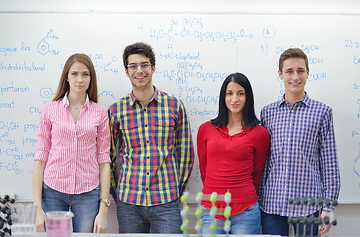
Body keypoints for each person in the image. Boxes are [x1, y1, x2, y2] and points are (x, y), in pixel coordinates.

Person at [108, 42, 194, 233]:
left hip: (166, 201)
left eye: (144, 65)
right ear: (126, 71)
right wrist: (117, 192)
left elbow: (185, 155)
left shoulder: (174, 106)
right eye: (133, 66)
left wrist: (174, 189)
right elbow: (109, 157)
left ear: (153, 68)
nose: (139, 70)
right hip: (129, 202)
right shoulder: (116, 110)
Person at [259, 48, 341, 236]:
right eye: (289, 71)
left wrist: (328, 207)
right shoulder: (268, 113)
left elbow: (329, 163)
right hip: (272, 203)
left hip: (307, 205)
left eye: (300, 70)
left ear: (307, 73)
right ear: (280, 75)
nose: (295, 77)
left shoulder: (322, 112)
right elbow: (262, 162)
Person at [33, 53, 111, 233]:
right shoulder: (49, 110)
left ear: (91, 78)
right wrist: (37, 209)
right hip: (53, 190)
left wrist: (104, 208)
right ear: (66, 77)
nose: (80, 79)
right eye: (75, 74)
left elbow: (104, 160)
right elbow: (40, 158)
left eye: (85, 74)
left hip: (88, 192)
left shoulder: (100, 113)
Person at [197, 73, 270, 235]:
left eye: (240, 93)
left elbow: (257, 173)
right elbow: (204, 170)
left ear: (248, 97)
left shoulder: (260, 134)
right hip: (211, 209)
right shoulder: (206, 129)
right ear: (223, 97)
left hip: (246, 210)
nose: (234, 99)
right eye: (229, 93)